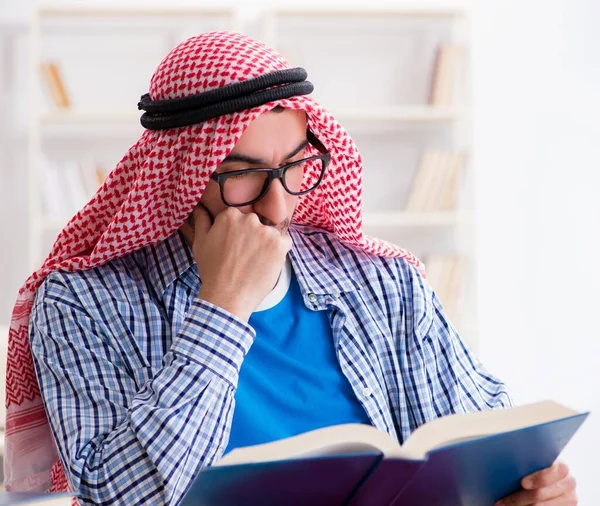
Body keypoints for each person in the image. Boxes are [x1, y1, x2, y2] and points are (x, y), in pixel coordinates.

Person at [5, 31, 576, 506]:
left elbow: (479, 442)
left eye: (295, 166)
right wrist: (222, 305)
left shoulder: (384, 281)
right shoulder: (83, 303)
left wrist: (525, 491)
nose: (278, 209)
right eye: (242, 175)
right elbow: (125, 497)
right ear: (181, 173)